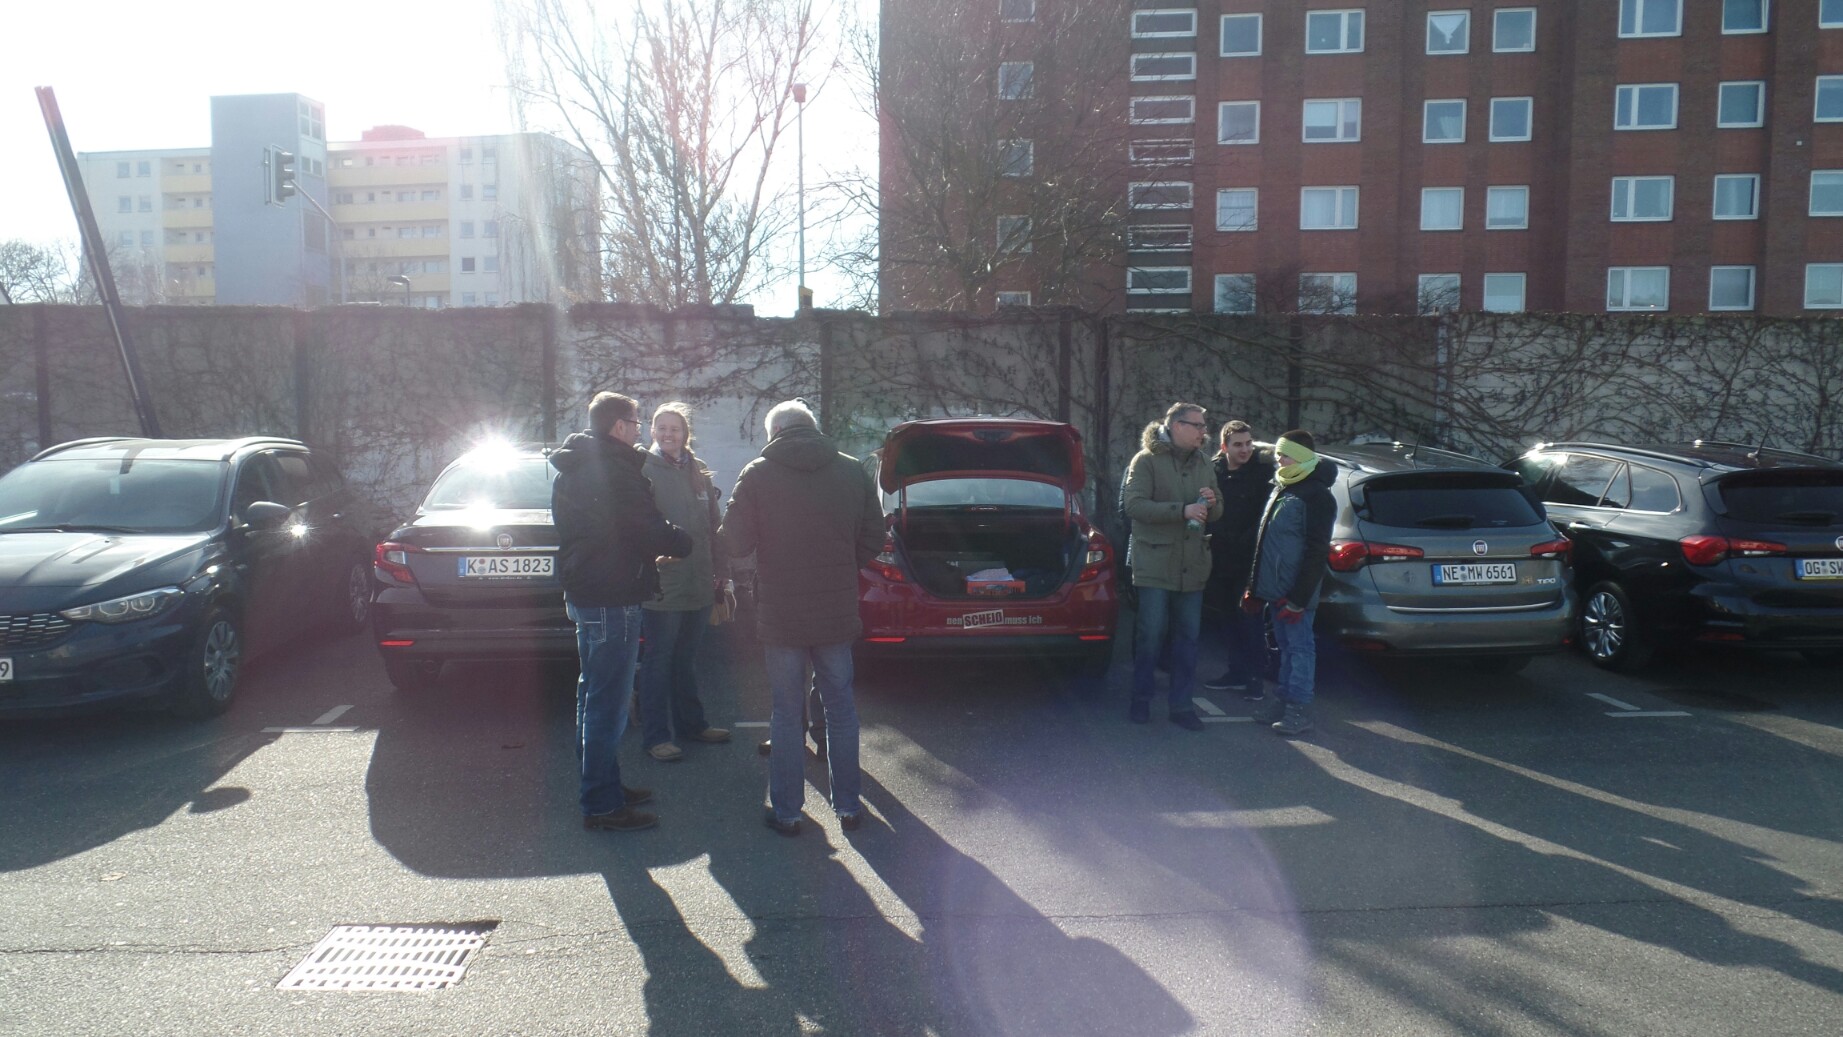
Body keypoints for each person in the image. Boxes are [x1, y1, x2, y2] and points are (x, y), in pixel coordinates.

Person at [718, 399, 884, 837]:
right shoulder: (851, 470)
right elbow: (875, 534)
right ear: (812, 426)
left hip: (782, 613)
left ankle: (788, 812)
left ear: (774, 433)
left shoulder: (757, 473)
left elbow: (734, 541)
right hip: (835, 610)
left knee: (786, 713)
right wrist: (843, 564)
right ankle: (849, 806)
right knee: (841, 707)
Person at [550, 391, 692, 832]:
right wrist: (681, 541)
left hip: (586, 592)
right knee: (608, 703)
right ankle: (601, 803)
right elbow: (645, 526)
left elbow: (602, 528)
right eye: (635, 423)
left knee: (592, 694)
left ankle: (603, 784)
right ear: (618, 427)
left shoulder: (574, 466)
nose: (638, 430)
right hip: (612, 595)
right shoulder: (615, 469)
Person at [636, 402, 732, 762]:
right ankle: (656, 736)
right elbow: (639, 526)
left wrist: (722, 570)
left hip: (699, 582)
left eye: (674, 428)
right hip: (663, 584)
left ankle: (692, 725)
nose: (667, 434)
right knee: (658, 661)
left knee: (686, 659)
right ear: (652, 431)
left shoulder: (699, 470)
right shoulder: (643, 469)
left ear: (685, 433)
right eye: (661, 427)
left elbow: (714, 527)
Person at [1121, 402, 1222, 730]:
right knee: (1150, 635)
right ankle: (1141, 699)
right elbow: (1134, 505)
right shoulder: (1146, 460)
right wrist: (1182, 510)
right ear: (1177, 426)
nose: (1203, 431)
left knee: (1188, 638)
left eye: (1204, 426)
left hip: (1192, 563)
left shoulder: (1204, 461)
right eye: (1197, 425)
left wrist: (1212, 503)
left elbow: (1218, 510)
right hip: (1155, 563)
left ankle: (1181, 706)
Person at [1243, 430, 1337, 737]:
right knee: (1284, 648)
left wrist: (1299, 598)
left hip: (1296, 592)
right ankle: (1283, 701)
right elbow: (1265, 542)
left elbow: (1317, 551)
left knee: (1300, 649)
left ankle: (1299, 709)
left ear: (1300, 456)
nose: (1279, 460)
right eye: (1278, 454)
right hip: (1276, 588)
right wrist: (1255, 587)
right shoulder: (1283, 487)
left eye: (1284, 455)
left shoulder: (1317, 495)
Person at [1203, 420, 1276, 699]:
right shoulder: (1213, 471)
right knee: (1228, 619)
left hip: (1248, 560)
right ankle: (1236, 673)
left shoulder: (1262, 474)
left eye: (1248, 443)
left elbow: (1263, 518)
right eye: (1238, 445)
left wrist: (1244, 541)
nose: (1245, 450)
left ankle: (1255, 680)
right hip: (1220, 558)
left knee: (1250, 620)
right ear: (1225, 447)